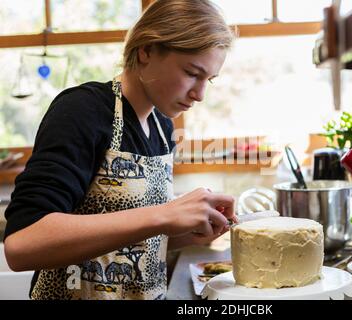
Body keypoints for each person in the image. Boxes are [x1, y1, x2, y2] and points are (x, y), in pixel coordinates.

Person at [3, 0, 236, 300]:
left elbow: (124, 238)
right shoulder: (82, 111)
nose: (200, 94)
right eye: (192, 73)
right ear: (147, 51)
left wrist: (182, 233)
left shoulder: (162, 126)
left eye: (209, 80)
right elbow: (23, 244)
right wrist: (164, 215)